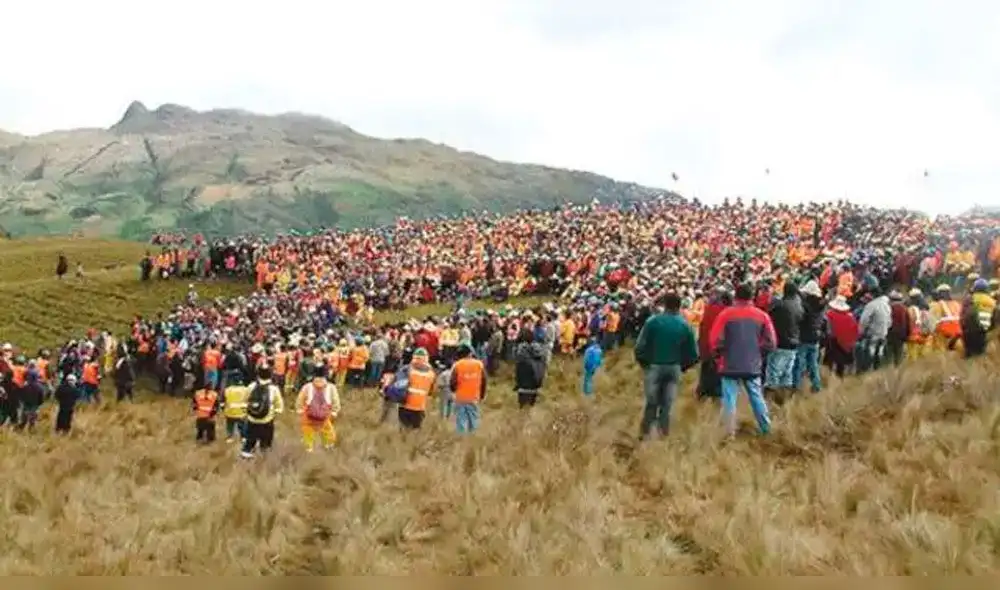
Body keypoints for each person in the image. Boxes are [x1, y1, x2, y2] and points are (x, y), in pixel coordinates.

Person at [709, 283, 777, 436]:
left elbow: (714, 340)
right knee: (756, 396)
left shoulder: (726, 315)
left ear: (736, 296)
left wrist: (718, 355)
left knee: (729, 399)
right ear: (751, 296)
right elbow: (771, 342)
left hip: (729, 363)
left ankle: (728, 432)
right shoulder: (761, 315)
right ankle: (766, 428)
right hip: (752, 364)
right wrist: (759, 353)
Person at [633, 292, 698, 439]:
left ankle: (645, 435)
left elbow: (639, 348)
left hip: (654, 366)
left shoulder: (653, 322)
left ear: (665, 305)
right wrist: (682, 367)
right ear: (679, 306)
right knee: (666, 405)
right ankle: (663, 436)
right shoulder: (685, 325)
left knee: (651, 402)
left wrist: (645, 364)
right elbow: (694, 354)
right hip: (674, 368)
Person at [766, 282, 803, 398]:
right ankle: (786, 398)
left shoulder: (781, 306)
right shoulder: (798, 305)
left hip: (781, 342)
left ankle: (772, 399)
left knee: (773, 371)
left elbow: (770, 319)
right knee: (787, 372)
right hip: (794, 342)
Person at [241, 365, 285, 458]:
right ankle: (263, 455)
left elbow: (244, 401)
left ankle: (247, 452)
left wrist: (246, 412)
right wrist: (275, 413)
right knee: (265, 441)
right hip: (267, 420)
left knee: (250, 438)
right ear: (270, 375)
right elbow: (279, 406)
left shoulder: (251, 386)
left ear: (258, 375)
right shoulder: (274, 388)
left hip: (252, 418)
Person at [295, 366, 341, 450]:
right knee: (327, 431)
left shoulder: (307, 386)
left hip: (308, 416)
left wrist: (299, 409)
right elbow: (336, 401)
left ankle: (308, 447)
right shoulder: (331, 387)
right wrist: (335, 412)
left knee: (308, 432)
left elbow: (300, 399)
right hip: (325, 416)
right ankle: (328, 446)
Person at [793, 280, 825, 393]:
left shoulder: (806, 306)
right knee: (813, 364)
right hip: (815, 338)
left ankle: (796, 387)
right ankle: (816, 385)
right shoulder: (820, 306)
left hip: (804, 337)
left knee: (799, 364)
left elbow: (800, 319)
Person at [450, 344, 487, 434]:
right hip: (474, 396)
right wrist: (482, 395)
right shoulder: (479, 364)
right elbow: (484, 381)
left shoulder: (457, 365)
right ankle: (472, 439)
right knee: (473, 419)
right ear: (470, 353)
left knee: (461, 420)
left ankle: (461, 439)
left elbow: (452, 382)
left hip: (460, 397)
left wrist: (454, 390)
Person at [399, 348, 435, 429]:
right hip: (420, 406)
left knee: (403, 429)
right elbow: (431, 391)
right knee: (415, 431)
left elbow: (397, 384)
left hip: (404, 404)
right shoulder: (431, 373)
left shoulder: (406, 369)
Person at [824, 295, 858, 378]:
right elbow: (855, 330)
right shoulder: (850, 317)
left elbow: (827, 329)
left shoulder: (830, 314)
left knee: (830, 359)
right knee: (841, 361)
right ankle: (840, 377)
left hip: (833, 340)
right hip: (845, 342)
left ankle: (827, 376)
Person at [513, 332, 548, 409]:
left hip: (523, 387)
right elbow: (543, 371)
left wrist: (517, 383)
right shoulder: (540, 355)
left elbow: (517, 373)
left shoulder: (521, 356)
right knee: (531, 408)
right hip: (535, 386)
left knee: (522, 408)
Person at [221, 373, 249, 443]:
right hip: (242, 413)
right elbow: (249, 401)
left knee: (230, 425)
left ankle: (230, 437)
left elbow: (222, 402)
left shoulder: (227, 390)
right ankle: (243, 437)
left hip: (230, 412)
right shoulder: (246, 390)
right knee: (243, 425)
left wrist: (224, 410)